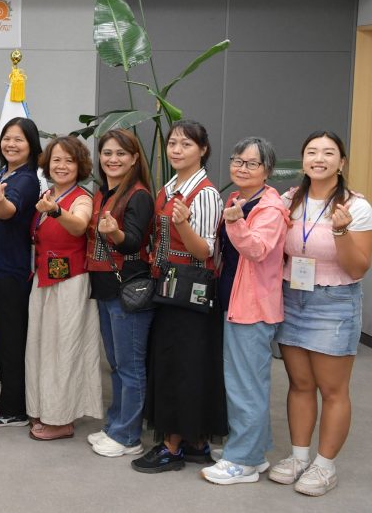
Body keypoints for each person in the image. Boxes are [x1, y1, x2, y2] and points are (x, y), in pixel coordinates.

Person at [269, 131, 372, 497]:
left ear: (341, 162)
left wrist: (341, 231)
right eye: (312, 151)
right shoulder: (288, 200)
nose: (319, 158)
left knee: (332, 389)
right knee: (299, 384)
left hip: (334, 301)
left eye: (329, 153)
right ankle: (299, 457)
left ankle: (325, 466)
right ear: (303, 160)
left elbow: (357, 267)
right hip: (292, 296)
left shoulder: (356, 206)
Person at [134, 119, 226, 474]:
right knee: (178, 364)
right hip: (169, 288)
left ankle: (172, 446)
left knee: (182, 367)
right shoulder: (170, 186)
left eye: (186, 144)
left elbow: (204, 251)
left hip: (190, 294)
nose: (176, 149)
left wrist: (183, 223)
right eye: (173, 143)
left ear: (202, 150)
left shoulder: (205, 194)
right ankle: (194, 442)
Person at [201, 137, 288, 485]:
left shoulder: (270, 208)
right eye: (237, 161)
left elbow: (258, 249)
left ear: (267, 169)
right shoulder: (238, 199)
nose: (242, 168)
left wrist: (236, 222)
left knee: (245, 386)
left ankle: (243, 461)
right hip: (234, 300)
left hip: (254, 306)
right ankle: (254, 450)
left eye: (252, 163)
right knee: (244, 381)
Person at [25, 136, 102, 441]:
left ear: (79, 166)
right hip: (44, 280)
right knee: (42, 347)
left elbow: (80, 225)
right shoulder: (46, 194)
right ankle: (43, 407)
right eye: (56, 159)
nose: (62, 166)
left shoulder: (82, 198)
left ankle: (61, 419)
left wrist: (56, 210)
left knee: (65, 349)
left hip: (71, 283)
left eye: (69, 160)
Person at [84, 129, 155, 458]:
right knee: (115, 363)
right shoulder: (103, 192)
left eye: (121, 154)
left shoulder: (138, 195)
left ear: (134, 158)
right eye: (107, 153)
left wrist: (115, 232)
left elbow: (134, 242)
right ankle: (115, 424)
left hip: (128, 289)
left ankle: (128, 436)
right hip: (105, 287)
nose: (113, 159)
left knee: (130, 366)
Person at [0, 116, 42, 428]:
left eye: (18, 140)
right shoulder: (2, 173)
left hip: (10, 273)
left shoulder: (25, 179)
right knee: (1, 339)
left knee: (11, 340)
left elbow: (7, 212)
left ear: (31, 146)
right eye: (7, 138)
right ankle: (7, 400)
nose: (11, 144)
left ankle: (15, 409)